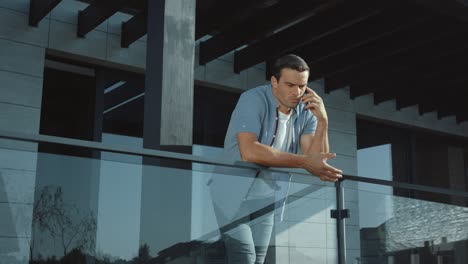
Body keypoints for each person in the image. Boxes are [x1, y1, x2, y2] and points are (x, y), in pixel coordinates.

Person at [211, 54, 342, 264]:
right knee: (244, 257)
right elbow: (249, 151)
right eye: (290, 85)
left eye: (302, 86)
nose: (297, 93)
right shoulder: (253, 99)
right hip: (231, 191)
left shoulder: (306, 111)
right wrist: (303, 161)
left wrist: (323, 120)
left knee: (259, 259)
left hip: (266, 197)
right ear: (274, 81)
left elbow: (316, 160)